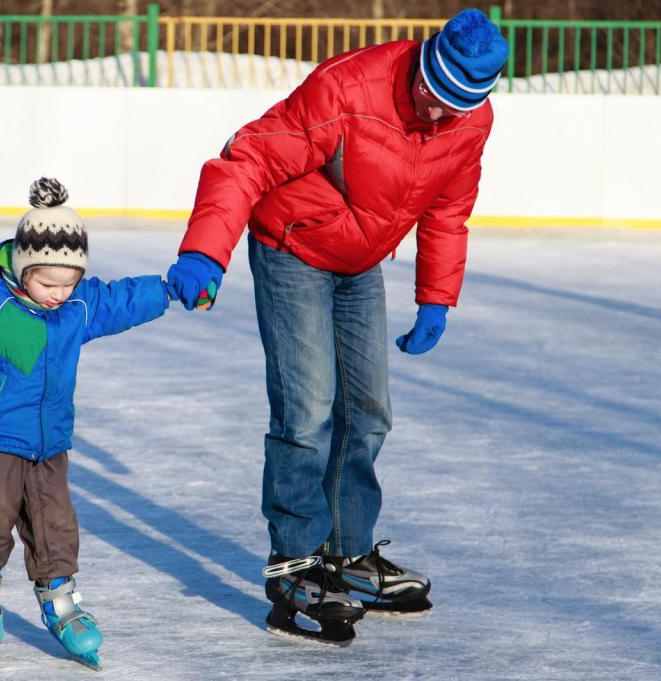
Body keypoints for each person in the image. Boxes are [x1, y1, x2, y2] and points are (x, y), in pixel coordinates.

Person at [166, 8, 508, 645]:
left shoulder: (470, 121)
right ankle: (294, 566)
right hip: (292, 246)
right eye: (432, 93)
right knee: (307, 413)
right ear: (423, 62)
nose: (438, 113)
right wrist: (205, 251)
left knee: (367, 411)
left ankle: (347, 554)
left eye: (457, 105)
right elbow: (249, 158)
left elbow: (447, 209)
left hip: (360, 260)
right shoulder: (348, 90)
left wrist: (437, 298)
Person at [0, 178, 172, 668]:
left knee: (55, 519)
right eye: (48, 283)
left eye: (69, 283)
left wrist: (170, 289)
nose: (58, 295)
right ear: (24, 268)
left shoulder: (76, 305)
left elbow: (120, 300)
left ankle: (60, 598)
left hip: (49, 441)